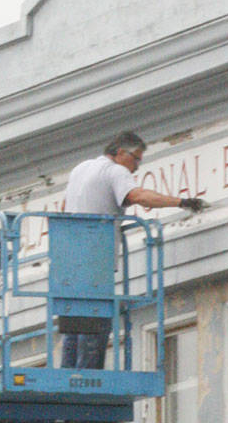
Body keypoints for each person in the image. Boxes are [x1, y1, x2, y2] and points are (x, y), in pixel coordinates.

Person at [60, 130, 206, 369]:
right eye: (136, 158)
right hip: (95, 251)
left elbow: (65, 206)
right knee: (96, 314)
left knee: (74, 316)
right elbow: (139, 196)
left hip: (68, 250)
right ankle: (88, 375)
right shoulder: (115, 171)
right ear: (120, 153)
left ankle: (69, 371)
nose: (136, 167)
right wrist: (181, 202)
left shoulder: (81, 168)